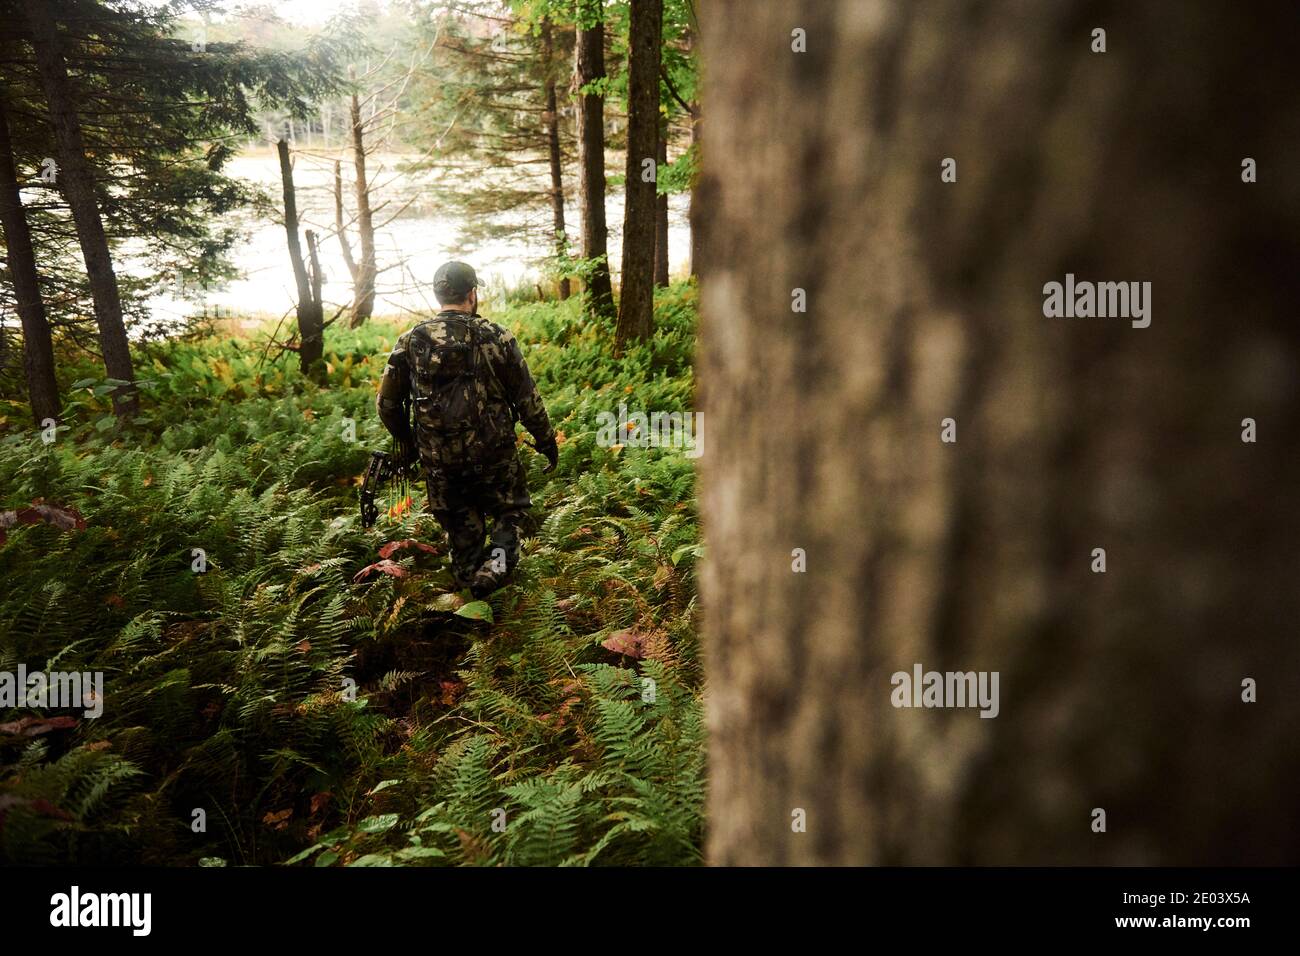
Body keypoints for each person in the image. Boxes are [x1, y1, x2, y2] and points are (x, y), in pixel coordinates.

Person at [375, 261, 558, 597]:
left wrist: (415, 443)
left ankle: (471, 598)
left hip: (442, 464)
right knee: (510, 515)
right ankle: (497, 569)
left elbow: (386, 406)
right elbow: (527, 398)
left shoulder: (411, 340)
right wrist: (546, 440)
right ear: (472, 294)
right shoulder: (497, 336)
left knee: (462, 534)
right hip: (495, 458)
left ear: (438, 294)